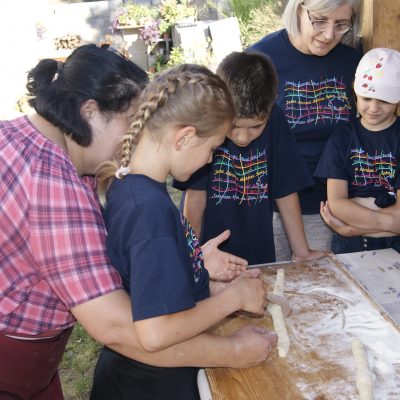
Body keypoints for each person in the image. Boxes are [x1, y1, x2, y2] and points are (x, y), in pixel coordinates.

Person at [0, 45, 277, 400]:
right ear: (90, 112)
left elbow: (125, 266)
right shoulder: (52, 185)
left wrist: (188, 266)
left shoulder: (35, 145)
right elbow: (129, 328)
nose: (138, 131)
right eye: (132, 120)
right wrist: (233, 346)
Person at [90, 64, 278, 400]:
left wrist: (196, 270)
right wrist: (234, 299)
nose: (209, 161)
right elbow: (155, 332)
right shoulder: (150, 211)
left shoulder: (132, 185)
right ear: (184, 137)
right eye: (212, 149)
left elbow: (148, 285)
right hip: (146, 386)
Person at [174, 51, 326, 265]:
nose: (242, 137)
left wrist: (301, 251)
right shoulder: (206, 122)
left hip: (258, 254)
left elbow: (286, 190)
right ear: (220, 102)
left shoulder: (276, 120)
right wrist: (192, 260)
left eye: (256, 126)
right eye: (234, 126)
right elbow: (195, 201)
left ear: (271, 105)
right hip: (210, 255)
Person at [248, 0, 363, 260]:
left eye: (341, 24)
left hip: (326, 208)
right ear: (299, 9)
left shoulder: (353, 60)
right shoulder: (261, 59)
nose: (329, 34)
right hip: (271, 207)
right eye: (320, 20)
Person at [315, 48, 400, 254]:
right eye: (366, 98)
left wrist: (351, 227)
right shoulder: (341, 138)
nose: (373, 108)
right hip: (349, 247)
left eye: (384, 101)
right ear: (355, 92)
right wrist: (390, 222)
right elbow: (336, 205)